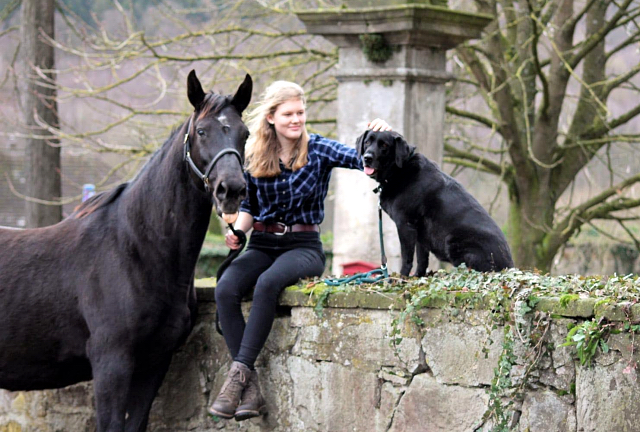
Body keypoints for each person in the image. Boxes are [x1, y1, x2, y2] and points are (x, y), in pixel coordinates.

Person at [208, 80, 391, 421]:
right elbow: (249, 209)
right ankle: (252, 390)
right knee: (226, 288)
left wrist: (377, 136)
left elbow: (362, 159)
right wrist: (236, 231)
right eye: (288, 113)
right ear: (272, 117)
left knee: (267, 284)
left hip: (303, 246)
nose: (296, 119)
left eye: (301, 113)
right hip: (262, 243)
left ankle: (237, 378)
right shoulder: (254, 155)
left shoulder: (318, 150)